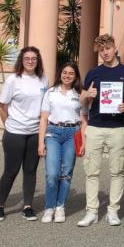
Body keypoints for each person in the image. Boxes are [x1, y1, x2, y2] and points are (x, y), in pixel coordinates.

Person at [78, 34, 124, 227]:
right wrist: (87, 94)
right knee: (91, 171)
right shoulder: (93, 73)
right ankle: (91, 211)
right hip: (95, 126)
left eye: (108, 48)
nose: (105, 52)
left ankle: (113, 211)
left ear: (115, 47)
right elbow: (82, 100)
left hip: (118, 128)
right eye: (101, 50)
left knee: (117, 171)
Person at [0, 46, 48, 221]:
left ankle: (27, 206)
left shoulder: (43, 80)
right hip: (14, 133)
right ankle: (0, 206)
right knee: (11, 171)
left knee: (30, 171)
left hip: (34, 133)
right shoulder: (13, 80)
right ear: (21, 61)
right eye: (27, 59)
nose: (30, 61)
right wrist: (8, 124)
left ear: (37, 61)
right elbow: (2, 105)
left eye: (34, 58)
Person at [38, 62, 86, 223]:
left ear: (76, 76)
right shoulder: (51, 92)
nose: (67, 75)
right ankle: (49, 207)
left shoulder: (80, 94)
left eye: (71, 73)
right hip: (53, 133)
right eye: (65, 72)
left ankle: (60, 207)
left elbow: (84, 120)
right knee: (52, 173)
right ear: (60, 74)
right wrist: (40, 143)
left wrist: (83, 141)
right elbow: (44, 119)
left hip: (72, 134)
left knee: (66, 173)